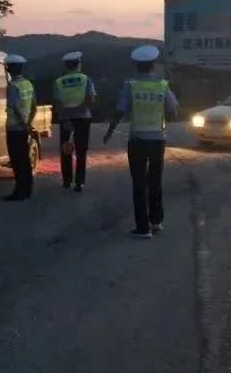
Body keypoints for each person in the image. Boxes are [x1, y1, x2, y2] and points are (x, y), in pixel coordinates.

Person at [103, 45, 179, 239]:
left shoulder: (131, 85)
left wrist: (109, 132)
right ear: (153, 65)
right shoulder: (163, 85)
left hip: (137, 141)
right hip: (157, 140)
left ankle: (143, 228)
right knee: (155, 181)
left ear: (136, 65)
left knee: (139, 183)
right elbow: (172, 110)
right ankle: (156, 221)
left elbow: (120, 111)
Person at [53, 51, 97, 192]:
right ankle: (79, 182)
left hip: (65, 119)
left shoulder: (59, 82)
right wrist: (81, 107)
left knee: (66, 150)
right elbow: (91, 99)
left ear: (66, 66)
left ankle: (67, 180)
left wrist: (65, 117)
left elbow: (57, 103)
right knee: (81, 151)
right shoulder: (86, 79)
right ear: (78, 64)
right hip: (83, 117)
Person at [4, 54, 36, 201]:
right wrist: (28, 123)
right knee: (25, 160)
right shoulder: (28, 84)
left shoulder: (12, 87)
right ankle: (28, 189)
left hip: (14, 129)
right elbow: (34, 107)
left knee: (17, 161)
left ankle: (19, 192)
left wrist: (23, 123)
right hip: (24, 128)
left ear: (9, 69)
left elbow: (14, 108)